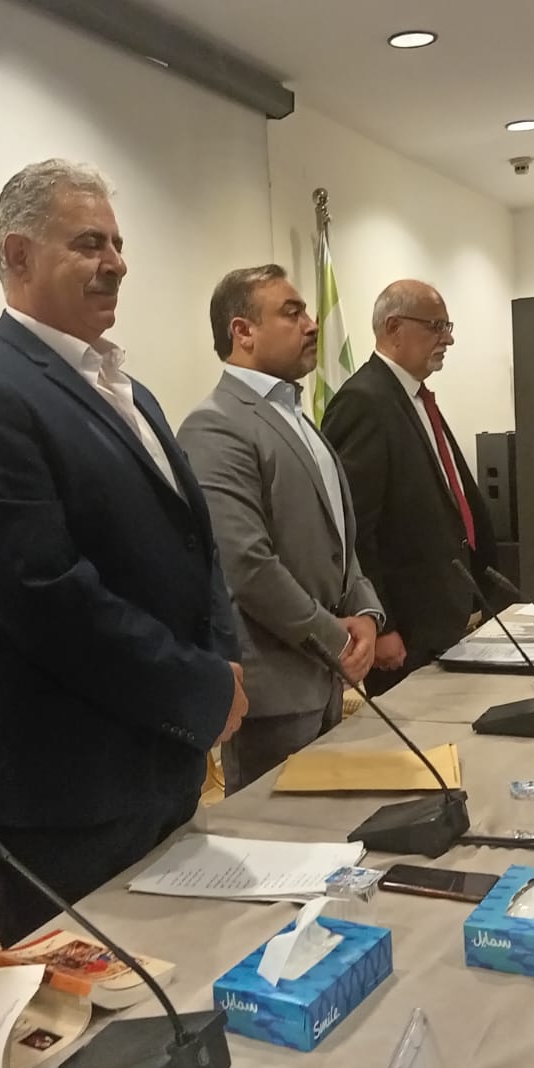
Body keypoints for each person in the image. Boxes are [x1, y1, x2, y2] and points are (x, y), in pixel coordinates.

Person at [0, 159, 249, 946]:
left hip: (164, 763)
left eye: (118, 243)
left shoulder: (130, 391)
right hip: (69, 794)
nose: (117, 263)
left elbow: (195, 546)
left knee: (189, 976)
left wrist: (224, 661)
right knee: (97, 1010)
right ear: (18, 256)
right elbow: (50, 597)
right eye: (89, 243)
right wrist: (200, 688)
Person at [177, 265, 384, 793]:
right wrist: (337, 638)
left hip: (325, 676)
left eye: (308, 312)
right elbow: (247, 565)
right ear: (243, 331)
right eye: (292, 313)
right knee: (281, 834)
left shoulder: (297, 415)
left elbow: (338, 540)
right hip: (275, 690)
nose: (311, 324)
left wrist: (365, 612)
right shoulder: (216, 424)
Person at [321, 280, 500, 694]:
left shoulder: (414, 397)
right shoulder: (364, 401)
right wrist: (382, 623)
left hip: (447, 615)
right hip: (405, 631)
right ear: (394, 327)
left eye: (448, 326)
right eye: (436, 326)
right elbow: (354, 529)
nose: (448, 339)